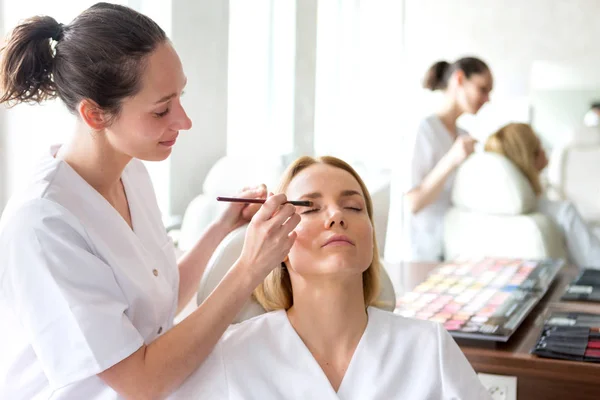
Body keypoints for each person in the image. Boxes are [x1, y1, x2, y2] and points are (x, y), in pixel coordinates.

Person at [0, 3, 300, 399]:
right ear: (94, 115)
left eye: (180, 97)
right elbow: (141, 382)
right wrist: (249, 267)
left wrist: (222, 227)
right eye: (162, 110)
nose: (184, 121)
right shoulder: (42, 224)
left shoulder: (130, 171)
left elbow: (156, 309)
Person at [177, 156, 491, 399]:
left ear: (371, 237)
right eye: (310, 208)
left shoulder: (429, 348)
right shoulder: (230, 356)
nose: (336, 216)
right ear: (279, 243)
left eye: (354, 207)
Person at [397, 57, 493, 262]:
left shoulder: (462, 133)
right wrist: (452, 159)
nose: (487, 99)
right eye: (483, 89)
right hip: (420, 255)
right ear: (459, 79)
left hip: (453, 250)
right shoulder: (423, 129)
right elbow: (413, 202)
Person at [485, 123, 600, 269]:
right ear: (531, 156)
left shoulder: (483, 218)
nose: (544, 150)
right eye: (539, 145)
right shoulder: (563, 213)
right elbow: (596, 262)